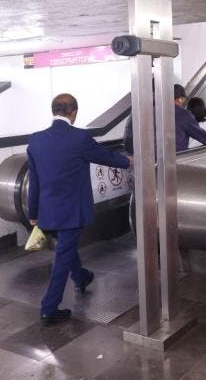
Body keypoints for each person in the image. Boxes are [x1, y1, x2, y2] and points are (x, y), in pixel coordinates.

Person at [27, 93, 131, 325]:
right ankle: (49, 307)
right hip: (72, 212)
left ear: (53, 111)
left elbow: (34, 181)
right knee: (62, 257)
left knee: (66, 248)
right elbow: (104, 157)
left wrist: (33, 213)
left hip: (47, 212)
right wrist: (128, 161)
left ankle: (81, 276)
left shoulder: (35, 140)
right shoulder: (80, 138)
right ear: (73, 112)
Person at [173, 84, 206, 152]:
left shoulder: (157, 111)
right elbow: (200, 135)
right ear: (179, 99)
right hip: (177, 156)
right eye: (183, 99)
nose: (183, 102)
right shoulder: (183, 114)